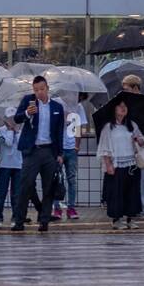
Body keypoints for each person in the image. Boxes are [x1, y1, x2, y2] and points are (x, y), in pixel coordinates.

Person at [12, 75, 64, 233]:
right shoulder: (29, 101)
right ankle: (19, 220)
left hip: (49, 150)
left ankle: (44, 221)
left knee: (48, 186)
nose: (39, 92)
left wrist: (60, 154)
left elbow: (59, 131)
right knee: (26, 185)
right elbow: (17, 118)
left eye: (41, 89)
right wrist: (28, 113)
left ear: (47, 88)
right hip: (32, 150)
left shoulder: (57, 107)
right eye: (36, 90)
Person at [98, 96, 144, 229]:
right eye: (120, 106)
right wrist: (108, 164)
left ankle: (130, 218)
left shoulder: (132, 125)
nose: (123, 108)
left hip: (132, 163)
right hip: (117, 164)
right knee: (116, 193)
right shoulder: (109, 127)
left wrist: (138, 140)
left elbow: (142, 140)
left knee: (132, 192)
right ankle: (116, 219)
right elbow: (104, 147)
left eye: (125, 106)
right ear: (114, 109)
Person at [55, 93, 87, 221]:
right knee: (56, 178)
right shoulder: (57, 102)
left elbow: (79, 127)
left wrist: (77, 146)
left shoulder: (78, 107)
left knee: (72, 179)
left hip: (71, 147)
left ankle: (71, 207)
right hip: (59, 147)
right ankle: (56, 208)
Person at [0, 107, 23, 225]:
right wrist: (10, 131)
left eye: (13, 118)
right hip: (4, 165)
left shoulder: (21, 131)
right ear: (5, 119)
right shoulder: (0, 130)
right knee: (2, 192)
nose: (11, 120)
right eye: (9, 118)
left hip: (18, 165)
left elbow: (21, 144)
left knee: (16, 193)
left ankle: (15, 217)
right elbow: (8, 142)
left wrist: (15, 131)